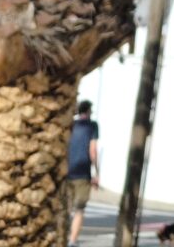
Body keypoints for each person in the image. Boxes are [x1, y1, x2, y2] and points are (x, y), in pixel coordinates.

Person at [64, 99, 100, 244]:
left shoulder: (71, 124)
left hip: (67, 170)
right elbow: (93, 150)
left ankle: (61, 237)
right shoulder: (93, 126)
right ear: (88, 111)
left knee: (66, 208)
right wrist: (97, 173)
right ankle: (72, 241)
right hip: (83, 173)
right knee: (79, 209)